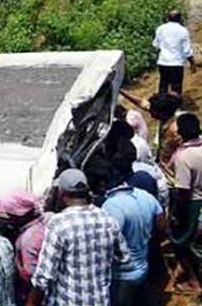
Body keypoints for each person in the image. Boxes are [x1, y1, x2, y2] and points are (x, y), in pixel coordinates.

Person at [29, 169, 131, 306]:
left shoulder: (59, 224)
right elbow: (124, 258)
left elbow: (44, 277)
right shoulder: (107, 218)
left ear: (62, 193)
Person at [101, 166, 165, 306]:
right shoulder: (146, 196)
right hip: (143, 266)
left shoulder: (111, 205)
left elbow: (107, 243)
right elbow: (161, 225)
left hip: (122, 274)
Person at [170, 113, 202, 292]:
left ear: (181, 132)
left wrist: (176, 214)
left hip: (194, 204)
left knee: (180, 242)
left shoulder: (184, 156)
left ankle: (193, 280)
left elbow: (183, 191)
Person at [6, 192, 53, 301]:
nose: (9, 219)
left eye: (10, 215)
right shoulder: (50, 217)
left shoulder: (27, 240)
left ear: (19, 216)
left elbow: (32, 277)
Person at [154, 10, 195, 95]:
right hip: (176, 63)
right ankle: (175, 106)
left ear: (168, 18)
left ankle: (161, 105)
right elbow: (187, 50)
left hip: (163, 62)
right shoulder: (183, 31)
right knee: (176, 87)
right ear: (180, 18)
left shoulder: (160, 28)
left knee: (163, 85)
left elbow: (156, 45)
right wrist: (192, 62)